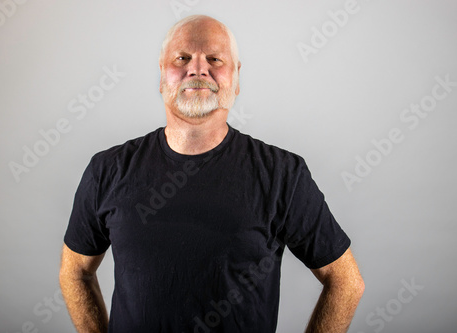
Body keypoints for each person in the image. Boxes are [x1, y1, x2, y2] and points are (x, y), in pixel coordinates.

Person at [59, 15, 364, 333]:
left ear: (236, 77)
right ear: (162, 74)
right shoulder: (108, 170)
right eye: (183, 58)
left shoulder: (283, 175)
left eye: (214, 59)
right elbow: (74, 271)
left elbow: (345, 281)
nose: (198, 69)